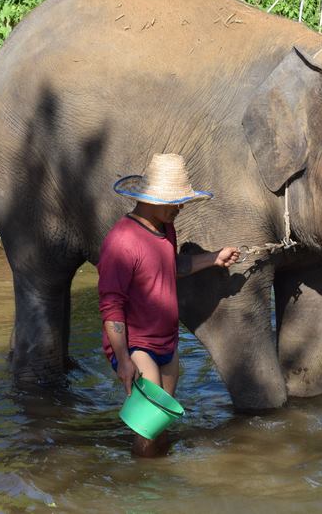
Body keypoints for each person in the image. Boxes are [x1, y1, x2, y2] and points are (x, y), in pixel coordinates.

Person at [97, 153, 240, 456]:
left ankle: (154, 477)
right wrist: (123, 359)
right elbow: (111, 306)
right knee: (147, 431)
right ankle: (142, 491)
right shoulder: (121, 241)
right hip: (135, 346)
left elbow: (168, 266)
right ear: (152, 199)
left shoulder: (165, 228)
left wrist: (214, 258)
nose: (181, 207)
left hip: (166, 342)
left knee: (159, 426)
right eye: (175, 201)